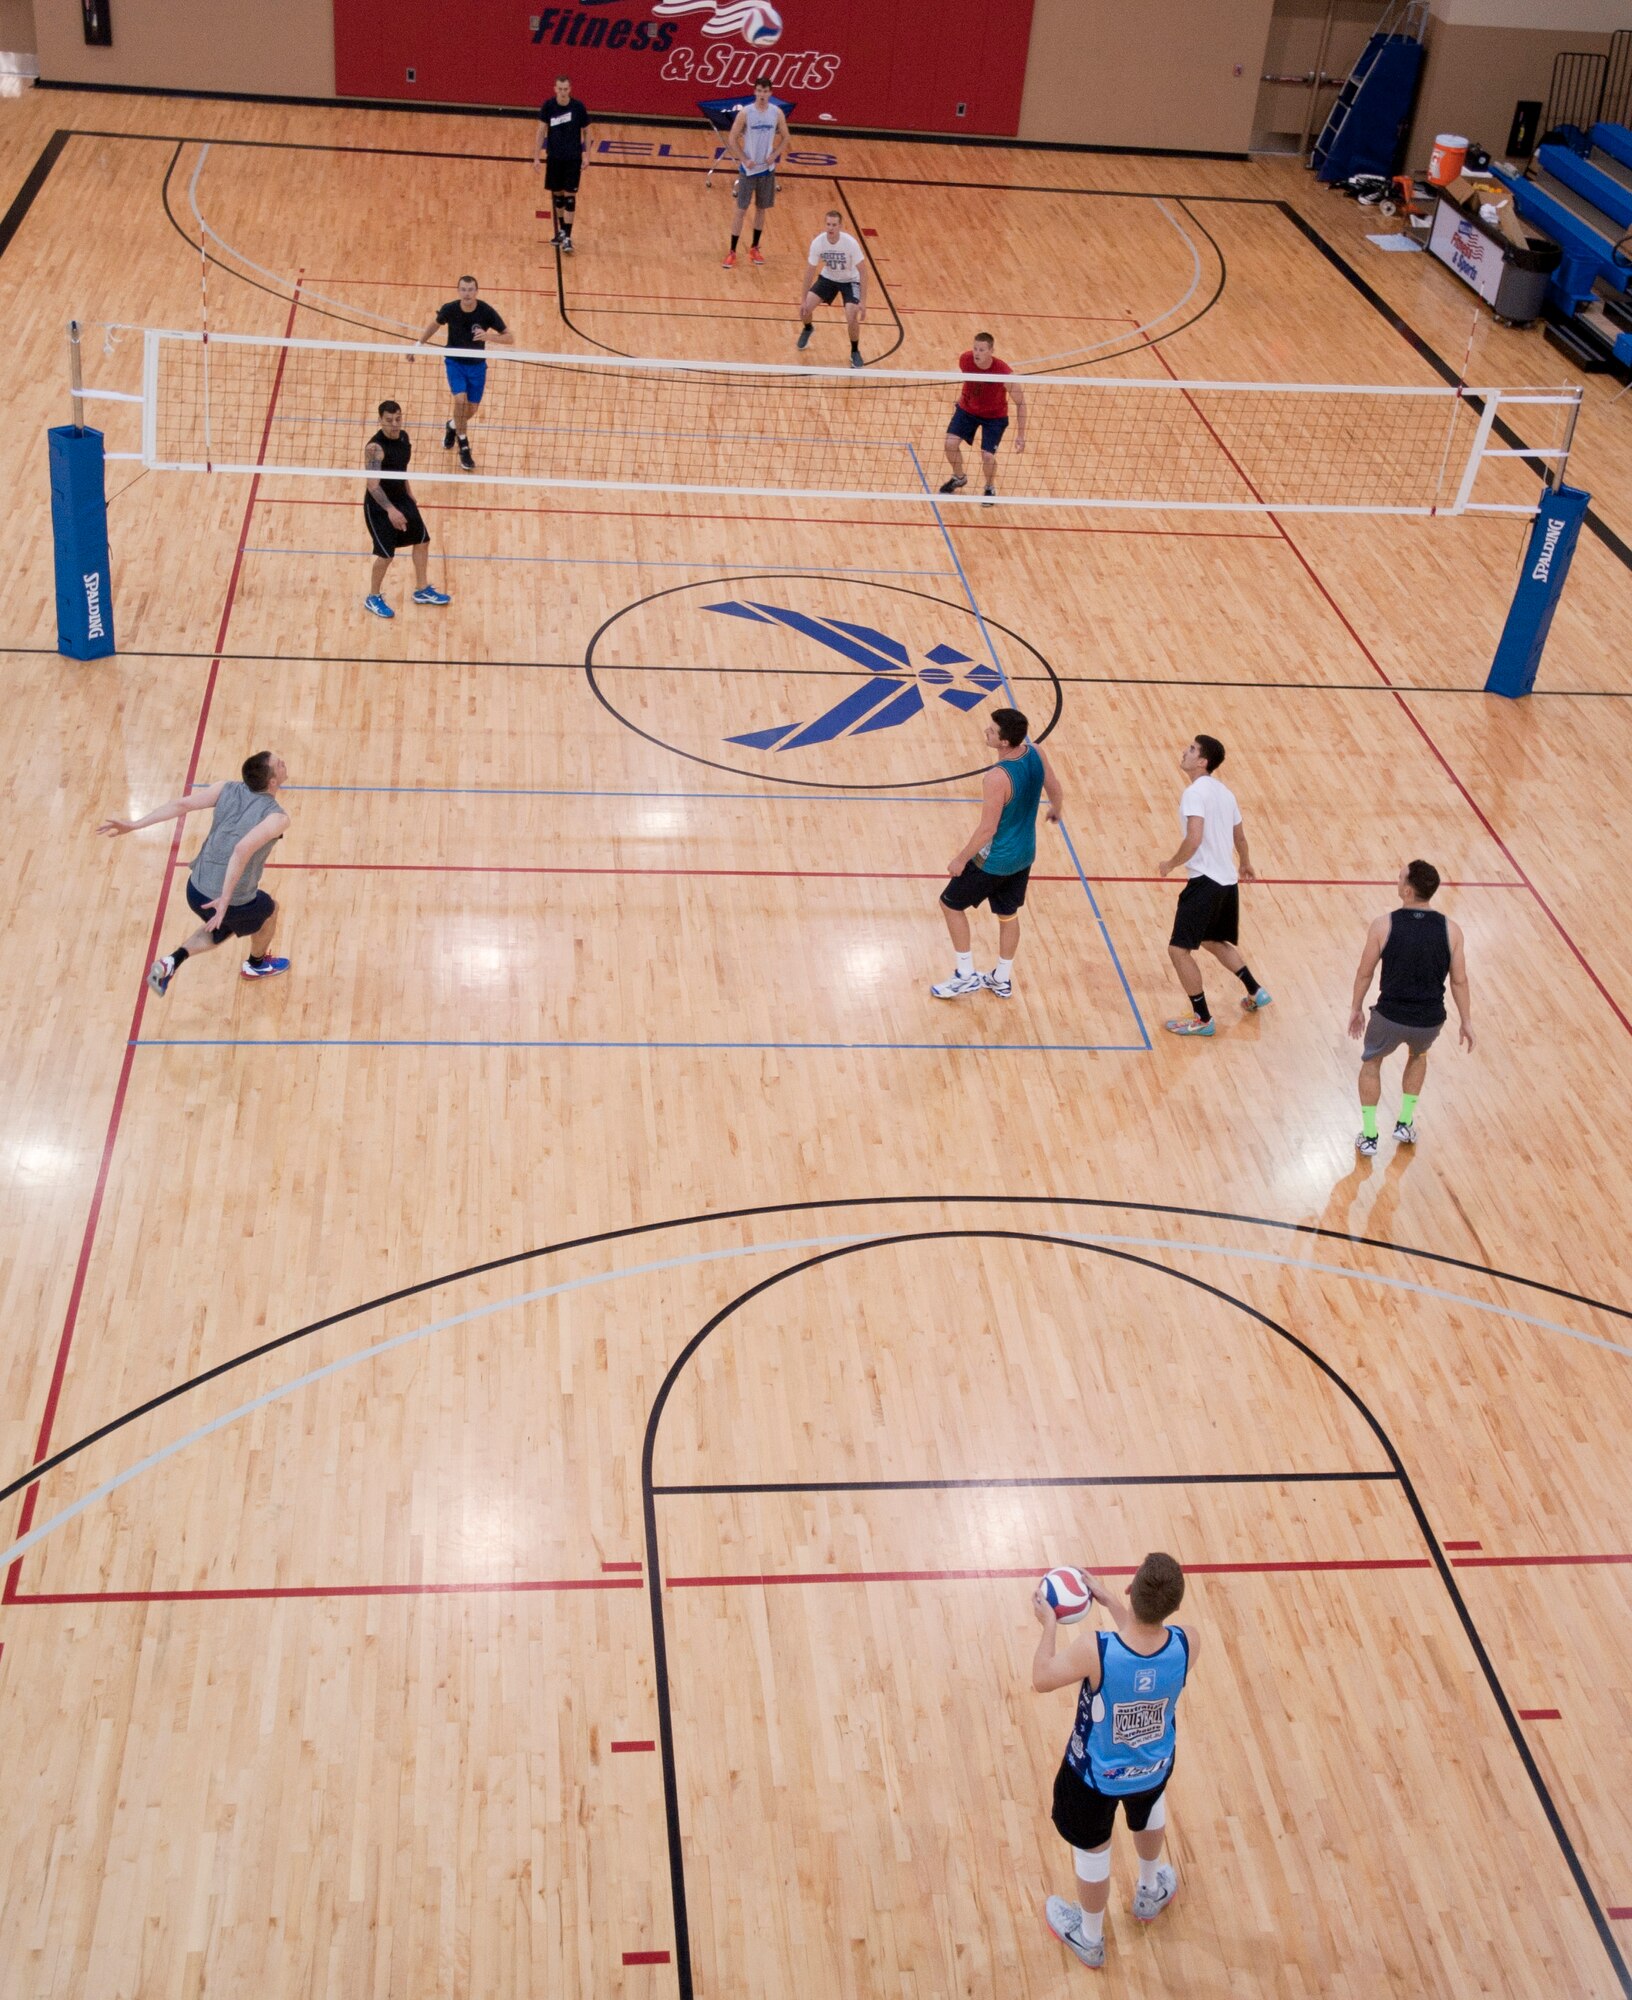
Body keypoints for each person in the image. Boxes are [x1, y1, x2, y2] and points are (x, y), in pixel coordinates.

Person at [1032, 1553, 1196, 1972]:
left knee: (1094, 1850)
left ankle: (1089, 1939)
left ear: (1130, 1587)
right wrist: (1113, 1605)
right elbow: (1145, 1645)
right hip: (1152, 1767)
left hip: (1093, 1778)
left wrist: (1050, 1624)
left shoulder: (1097, 1651)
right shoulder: (1187, 1642)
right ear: (1174, 1606)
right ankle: (1147, 1890)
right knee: (1149, 1812)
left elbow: (1043, 1678)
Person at [96, 752, 292, 997]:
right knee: (270, 911)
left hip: (195, 888)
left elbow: (182, 805)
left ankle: (170, 962)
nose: (283, 763)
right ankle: (256, 965)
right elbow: (241, 849)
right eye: (279, 764)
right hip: (228, 899)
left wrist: (134, 825)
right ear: (272, 782)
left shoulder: (225, 788)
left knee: (223, 928)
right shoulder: (277, 817)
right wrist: (224, 901)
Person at [930, 707, 1063, 1001]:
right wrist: (1057, 808)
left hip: (995, 859)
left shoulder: (997, 778)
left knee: (950, 904)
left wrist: (961, 859)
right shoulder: (1037, 752)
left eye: (991, 731)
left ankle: (965, 976)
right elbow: (1054, 786)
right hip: (1025, 854)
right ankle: (1001, 979)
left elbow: (987, 830)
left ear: (1004, 742)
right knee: (1007, 915)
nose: (986, 733)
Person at [1347, 858, 1474, 1154]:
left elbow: (1365, 972)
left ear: (1407, 891)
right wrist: (1466, 1020)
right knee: (1418, 1055)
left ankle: (1369, 1136)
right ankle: (1404, 1123)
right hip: (1429, 1021)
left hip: (1389, 1016)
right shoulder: (1452, 930)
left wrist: (1355, 1008)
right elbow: (1459, 981)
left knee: (1371, 1064)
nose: (1397, 879)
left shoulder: (1383, 925)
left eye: (1400, 877)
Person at [1158, 734, 1271, 1038]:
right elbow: (1241, 838)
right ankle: (1255, 990)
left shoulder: (1195, 793)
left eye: (1192, 749)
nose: (1185, 751)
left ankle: (1202, 1018)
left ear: (1203, 762)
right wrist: (1245, 863)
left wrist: (1171, 863)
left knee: (1178, 950)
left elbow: (1194, 839)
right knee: (1212, 940)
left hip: (1205, 882)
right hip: (1227, 882)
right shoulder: (1225, 793)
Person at [417, 276, 515, 472]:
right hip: (455, 362)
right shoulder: (450, 309)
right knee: (460, 401)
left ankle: (452, 426)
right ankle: (464, 446)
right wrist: (418, 344)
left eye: (471, 289)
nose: (467, 293)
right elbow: (435, 325)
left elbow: (510, 337)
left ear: (476, 291)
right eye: (463, 289)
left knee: (470, 411)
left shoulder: (486, 311)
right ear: (458, 291)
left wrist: (489, 336)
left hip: (477, 366)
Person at [363, 399, 450, 620]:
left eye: (398, 419)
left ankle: (422, 590)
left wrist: (409, 493)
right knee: (385, 555)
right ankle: (373, 596)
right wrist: (391, 511)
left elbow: (401, 470)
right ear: (380, 420)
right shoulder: (375, 448)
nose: (394, 424)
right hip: (379, 505)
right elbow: (372, 485)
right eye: (389, 420)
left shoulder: (404, 437)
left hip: (401, 497)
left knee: (422, 540)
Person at [940, 332, 1027, 503]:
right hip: (967, 410)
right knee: (950, 443)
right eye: (975, 348)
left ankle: (989, 487)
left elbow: (1021, 403)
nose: (976, 353)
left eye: (981, 350)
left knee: (987, 456)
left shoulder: (1003, 372)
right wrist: (962, 401)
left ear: (991, 351)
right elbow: (971, 383)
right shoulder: (965, 360)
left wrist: (1021, 435)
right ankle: (959, 477)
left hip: (994, 417)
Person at [723, 76, 787, 269]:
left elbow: (786, 137)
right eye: (759, 91)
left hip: (766, 170)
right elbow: (732, 138)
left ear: (771, 93)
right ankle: (732, 251)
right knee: (741, 210)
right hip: (748, 171)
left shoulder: (776, 113)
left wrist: (774, 154)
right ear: (754, 92)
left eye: (766, 92)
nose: (762, 95)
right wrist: (744, 159)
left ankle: (754, 248)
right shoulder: (746, 113)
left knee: (761, 209)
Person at [797, 209, 868, 368]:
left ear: (840, 226)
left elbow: (863, 272)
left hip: (850, 281)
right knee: (805, 309)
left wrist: (863, 301)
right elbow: (810, 271)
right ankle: (808, 328)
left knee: (851, 315)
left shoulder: (850, 243)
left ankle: (855, 351)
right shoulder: (818, 243)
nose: (830, 228)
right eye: (828, 224)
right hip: (828, 278)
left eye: (834, 225)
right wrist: (802, 300)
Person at [533, 74, 591, 253]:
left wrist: (587, 155)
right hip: (554, 158)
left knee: (570, 196)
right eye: (560, 89)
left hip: (573, 158)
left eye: (566, 89)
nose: (563, 92)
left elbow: (587, 132)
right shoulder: (549, 106)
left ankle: (567, 236)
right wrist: (536, 156)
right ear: (555, 89)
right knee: (558, 196)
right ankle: (562, 232)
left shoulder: (578, 107)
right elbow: (541, 131)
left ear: (570, 89)